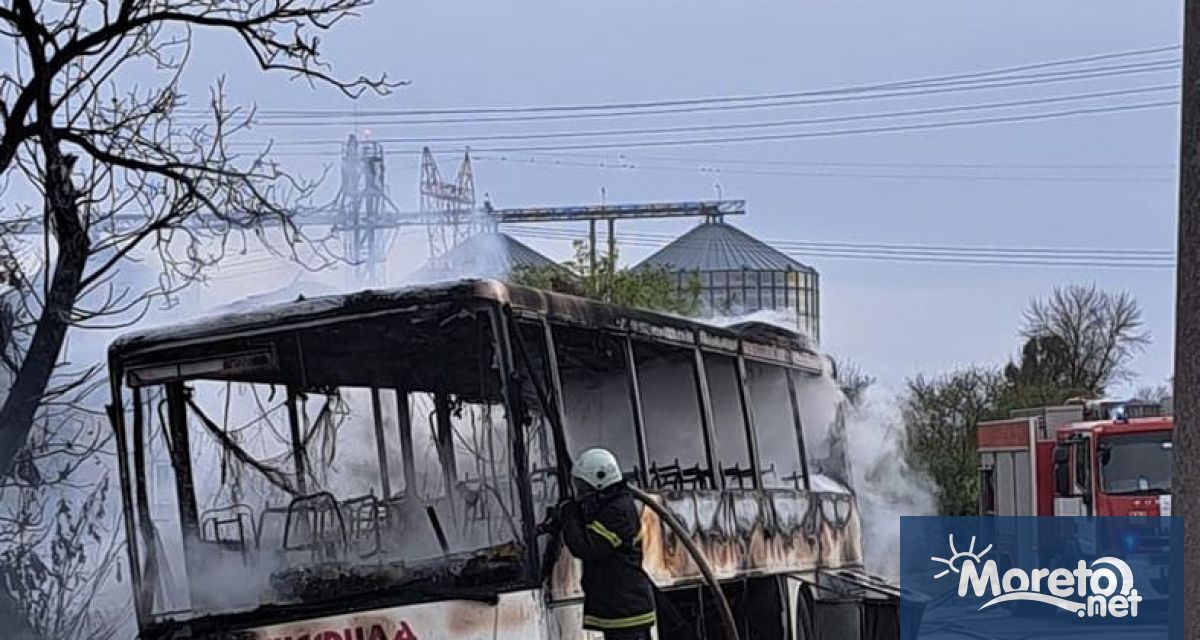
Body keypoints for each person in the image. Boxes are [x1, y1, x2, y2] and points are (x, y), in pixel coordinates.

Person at [556, 448, 657, 640]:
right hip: (620, 610)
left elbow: (586, 546)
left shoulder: (619, 512)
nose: (580, 493)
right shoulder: (610, 505)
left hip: (626, 613)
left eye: (583, 487)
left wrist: (569, 516)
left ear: (599, 483)